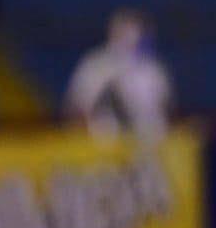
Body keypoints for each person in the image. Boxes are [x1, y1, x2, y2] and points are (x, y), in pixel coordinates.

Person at [64, 9, 174, 143]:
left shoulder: (152, 69)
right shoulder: (96, 64)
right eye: (125, 32)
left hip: (148, 145)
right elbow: (77, 107)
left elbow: (166, 106)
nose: (131, 37)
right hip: (105, 147)